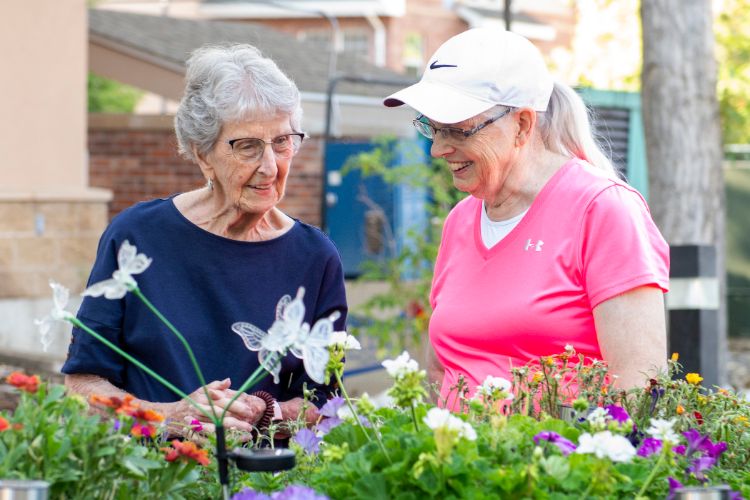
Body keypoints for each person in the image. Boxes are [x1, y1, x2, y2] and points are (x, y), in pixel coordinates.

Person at [62, 43, 347, 436]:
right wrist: (172, 418)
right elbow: (82, 388)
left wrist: (265, 413)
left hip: (261, 487)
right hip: (154, 482)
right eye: (247, 146)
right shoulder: (137, 237)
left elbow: (328, 402)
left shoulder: (315, 257)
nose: (270, 166)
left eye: (282, 142)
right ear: (202, 154)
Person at [384, 28, 669, 408]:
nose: (437, 148)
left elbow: (637, 389)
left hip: (556, 462)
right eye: (432, 127)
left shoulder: (603, 210)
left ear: (521, 124)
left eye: (457, 130)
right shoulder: (460, 220)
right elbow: (442, 368)